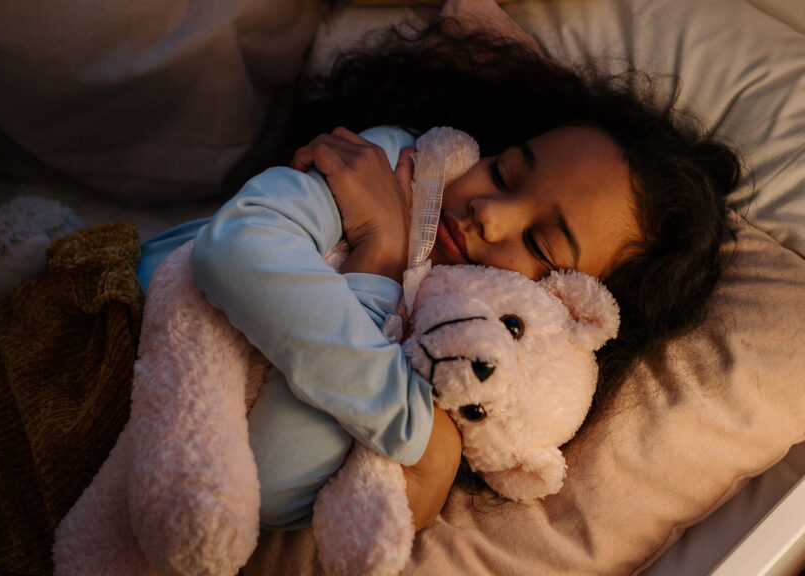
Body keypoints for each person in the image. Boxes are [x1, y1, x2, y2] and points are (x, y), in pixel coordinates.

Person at [136, 17, 741, 532]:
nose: (491, 212)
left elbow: (264, 479)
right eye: (504, 172)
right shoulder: (405, 171)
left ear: (567, 310)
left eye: (538, 241)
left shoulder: (463, 371)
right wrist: (380, 253)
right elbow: (230, 251)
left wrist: (430, 443)